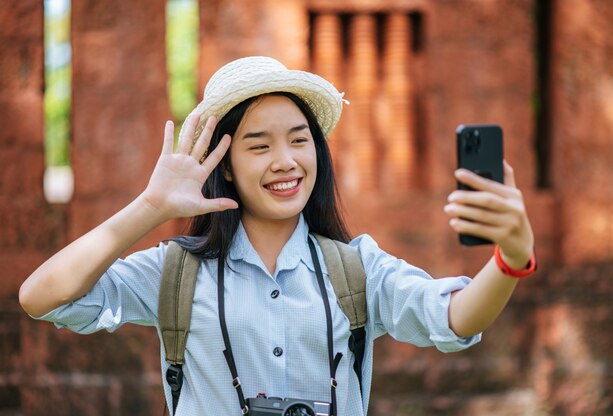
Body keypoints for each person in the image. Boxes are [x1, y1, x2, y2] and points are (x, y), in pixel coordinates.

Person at [19, 56, 536, 415]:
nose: (285, 161)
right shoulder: (177, 272)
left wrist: (511, 256)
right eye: (258, 145)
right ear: (226, 164)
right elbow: (41, 297)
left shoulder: (356, 269)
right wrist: (150, 207)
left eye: (298, 139)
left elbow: (455, 316)